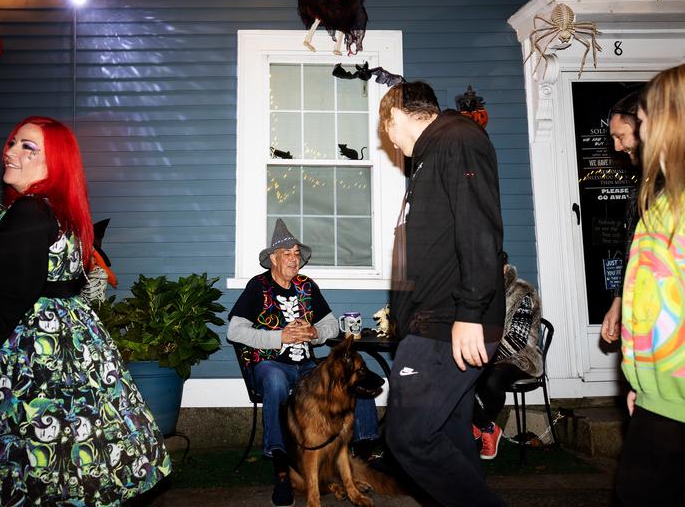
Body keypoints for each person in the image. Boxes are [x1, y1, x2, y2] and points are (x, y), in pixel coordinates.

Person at [0, 117, 171, 505]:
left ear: (55, 162)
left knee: (18, 452)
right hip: (62, 337)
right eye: (13, 143)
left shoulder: (29, 212)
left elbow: (12, 297)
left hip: (28, 350)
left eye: (28, 147)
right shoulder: (53, 211)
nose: (11, 152)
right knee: (61, 453)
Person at [379, 81, 505, 506]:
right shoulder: (433, 155)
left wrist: (469, 312)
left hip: (448, 322)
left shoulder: (458, 140)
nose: (388, 139)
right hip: (435, 321)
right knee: (450, 434)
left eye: (386, 129)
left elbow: (479, 228)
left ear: (395, 115)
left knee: (408, 436)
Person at [227, 218, 380, 507]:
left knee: (352, 375)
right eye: (288, 254)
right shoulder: (257, 288)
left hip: (307, 367)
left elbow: (332, 327)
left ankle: (365, 447)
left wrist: (314, 333)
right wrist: (280, 336)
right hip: (271, 363)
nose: (294, 259)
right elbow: (234, 331)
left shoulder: (307, 287)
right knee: (274, 381)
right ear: (273, 259)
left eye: (297, 254)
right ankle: (281, 469)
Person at [616, 64, 685, 505]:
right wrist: (641, 384)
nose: (638, 133)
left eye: (642, 120)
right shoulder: (663, 203)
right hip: (656, 398)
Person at [472, 252, 543, 460]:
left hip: (520, 356)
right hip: (485, 354)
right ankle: (486, 427)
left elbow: (517, 340)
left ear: (504, 268)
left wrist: (482, 359)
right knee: (456, 377)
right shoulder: (479, 293)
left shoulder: (522, 291)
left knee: (492, 379)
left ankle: (481, 428)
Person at [601, 90, 642, 344]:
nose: (617, 146)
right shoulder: (642, 186)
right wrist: (618, 302)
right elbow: (632, 249)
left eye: (620, 136)